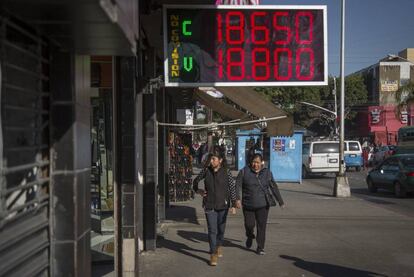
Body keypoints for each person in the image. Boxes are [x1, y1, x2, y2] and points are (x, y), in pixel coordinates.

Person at [193, 146, 237, 266]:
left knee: (220, 230)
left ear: (220, 160)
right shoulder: (206, 171)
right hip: (209, 205)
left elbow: (232, 188)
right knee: (212, 230)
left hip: (223, 205)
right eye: (210, 159)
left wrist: (233, 204)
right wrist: (199, 191)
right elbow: (195, 181)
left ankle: (219, 245)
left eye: (214, 159)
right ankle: (213, 254)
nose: (211, 161)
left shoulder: (226, 172)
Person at [235, 153, 284, 255]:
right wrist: (237, 199)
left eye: (257, 162)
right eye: (253, 162)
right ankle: (249, 235)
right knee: (249, 224)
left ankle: (260, 247)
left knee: (261, 226)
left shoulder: (267, 173)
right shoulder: (244, 171)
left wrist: (280, 201)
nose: (255, 164)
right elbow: (237, 185)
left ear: (262, 163)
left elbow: (273, 186)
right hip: (248, 204)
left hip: (263, 205)